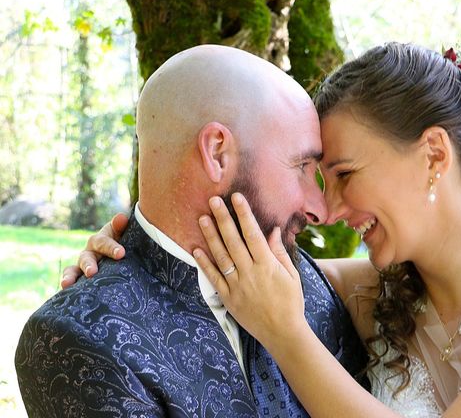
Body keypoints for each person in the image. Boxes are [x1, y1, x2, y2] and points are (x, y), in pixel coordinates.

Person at [70, 42, 461, 417]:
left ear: (433, 154)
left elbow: (276, 310)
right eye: (314, 175)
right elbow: (213, 278)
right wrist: (123, 259)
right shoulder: (360, 293)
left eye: (344, 175)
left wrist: (288, 336)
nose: (328, 210)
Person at [15, 45, 368, 417]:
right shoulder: (79, 338)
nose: (320, 208)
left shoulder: (304, 280)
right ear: (216, 153)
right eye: (301, 166)